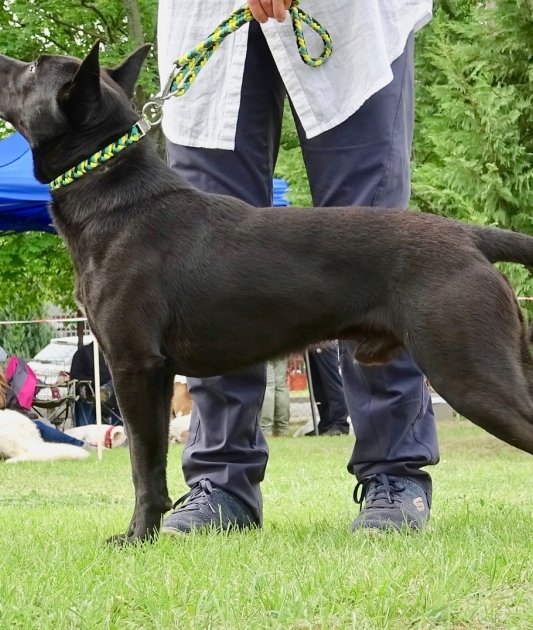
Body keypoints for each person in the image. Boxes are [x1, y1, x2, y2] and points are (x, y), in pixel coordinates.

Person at [158, 0, 439, 535]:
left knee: (373, 250)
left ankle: (394, 471)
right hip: (205, 19)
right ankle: (221, 482)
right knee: (205, 265)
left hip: (353, 17)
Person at [0, 349, 89, 449]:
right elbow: (20, 416)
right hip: (6, 431)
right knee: (39, 425)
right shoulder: (4, 390)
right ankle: (79, 444)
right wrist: (34, 417)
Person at [303, 342, 350, 436]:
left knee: (331, 382)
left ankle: (340, 423)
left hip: (325, 342)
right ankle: (326, 422)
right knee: (317, 384)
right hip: (310, 342)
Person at [258, 356, 291, 438]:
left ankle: (265, 430)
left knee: (267, 385)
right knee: (281, 385)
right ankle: (282, 429)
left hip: (264, 347)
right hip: (282, 346)